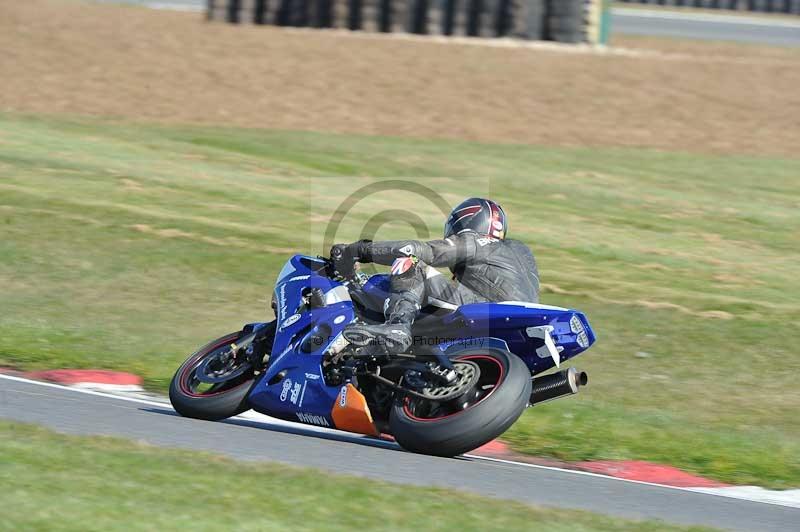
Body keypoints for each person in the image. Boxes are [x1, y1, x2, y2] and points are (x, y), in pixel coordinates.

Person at [330, 198, 540, 355]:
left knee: (411, 263)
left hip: (488, 310)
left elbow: (421, 250)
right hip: (522, 327)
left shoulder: (479, 241)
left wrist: (358, 250)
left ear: (468, 222)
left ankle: (398, 325)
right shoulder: (521, 253)